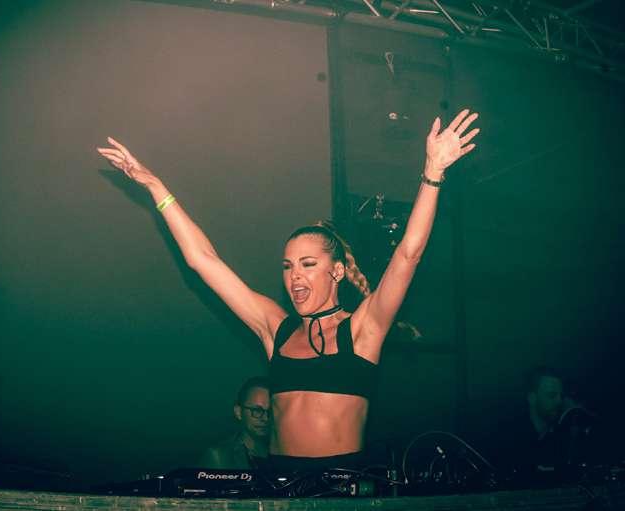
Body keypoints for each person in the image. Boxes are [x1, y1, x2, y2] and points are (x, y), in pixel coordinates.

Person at [97, 109, 479, 470]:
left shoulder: (364, 328)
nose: (294, 276)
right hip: (279, 485)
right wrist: (155, 186)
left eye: (307, 264)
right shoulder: (275, 329)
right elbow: (203, 260)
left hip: (339, 490)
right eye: (287, 266)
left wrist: (433, 173)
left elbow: (408, 254)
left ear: (337, 271)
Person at [198, 376, 270, 469]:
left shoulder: (281, 450)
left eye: (271, 411)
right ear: (238, 412)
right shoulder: (220, 456)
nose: (265, 418)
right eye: (257, 410)